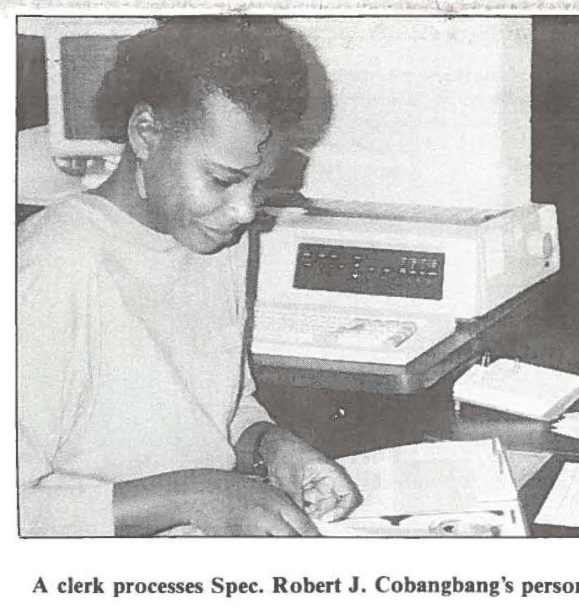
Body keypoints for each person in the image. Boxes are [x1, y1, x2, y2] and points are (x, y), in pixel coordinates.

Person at [17, 17, 361, 536]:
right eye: (223, 179)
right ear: (146, 133)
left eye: (260, 186)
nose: (245, 211)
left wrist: (271, 446)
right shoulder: (55, 265)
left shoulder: (214, 235)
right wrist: (193, 496)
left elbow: (218, 411)